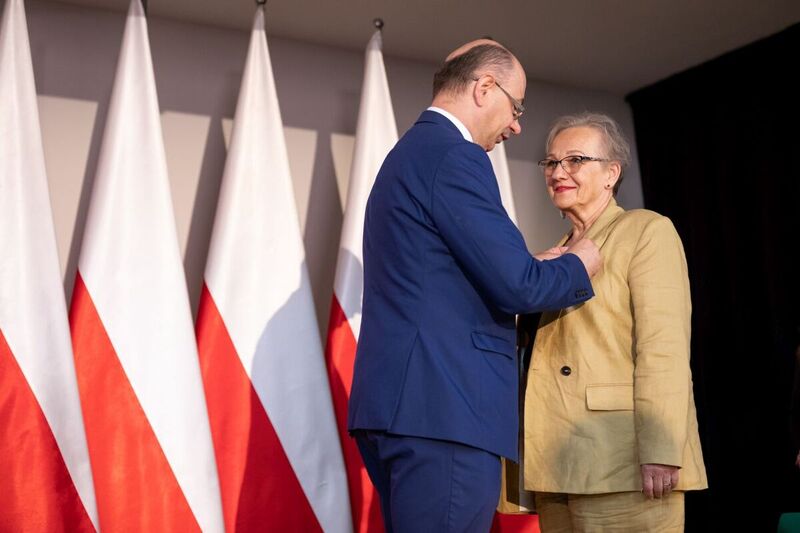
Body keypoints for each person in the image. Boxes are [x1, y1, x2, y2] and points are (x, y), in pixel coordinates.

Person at [347, 42, 603, 532]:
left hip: (407, 407)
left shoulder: (412, 153)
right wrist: (578, 263)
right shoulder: (455, 156)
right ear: (485, 87)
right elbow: (518, 287)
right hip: (445, 410)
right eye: (517, 106)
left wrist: (528, 265)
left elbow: (443, 274)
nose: (516, 125)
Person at [519, 112, 708, 531]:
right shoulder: (549, 257)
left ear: (611, 174)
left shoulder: (646, 231)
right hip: (556, 462)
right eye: (551, 163)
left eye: (575, 160)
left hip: (624, 461)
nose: (558, 172)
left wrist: (662, 448)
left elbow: (664, 348)